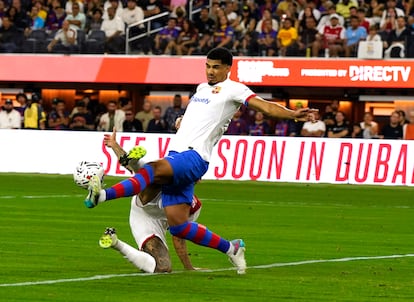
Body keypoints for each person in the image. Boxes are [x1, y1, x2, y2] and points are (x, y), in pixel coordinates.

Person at [84, 47, 311, 274]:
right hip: (177, 156)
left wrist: (292, 114)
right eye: (208, 66)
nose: (210, 72)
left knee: (152, 170)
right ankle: (232, 248)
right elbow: (200, 117)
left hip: (194, 157)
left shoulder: (234, 89)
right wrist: (184, 120)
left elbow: (266, 107)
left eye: (216, 67)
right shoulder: (202, 89)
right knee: (179, 226)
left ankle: (101, 195)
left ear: (228, 69)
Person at [99, 128, 202, 272]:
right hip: (144, 213)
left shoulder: (192, 206)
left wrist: (188, 267)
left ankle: (115, 242)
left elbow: (179, 235)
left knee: (163, 268)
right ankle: (135, 162)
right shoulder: (173, 172)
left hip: (154, 221)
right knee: (152, 178)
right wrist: (115, 146)